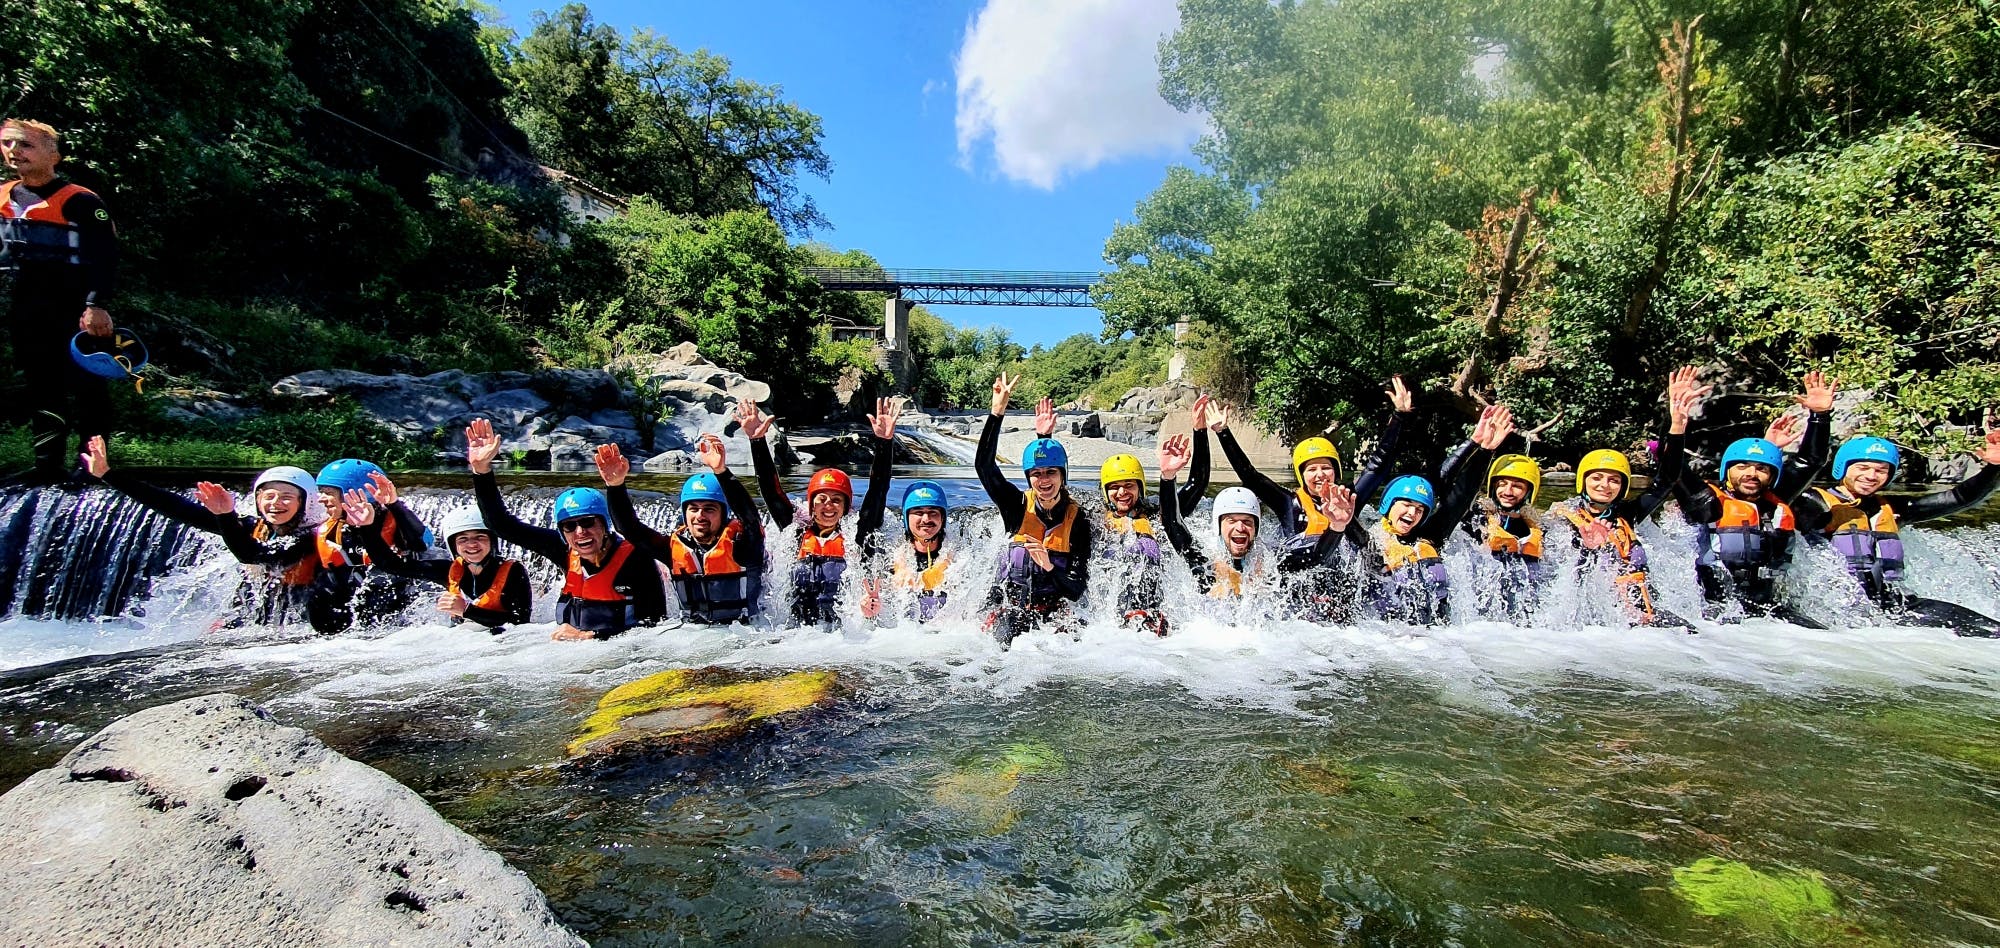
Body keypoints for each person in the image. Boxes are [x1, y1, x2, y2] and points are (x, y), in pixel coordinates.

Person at [81, 436, 354, 634]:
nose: (275, 504)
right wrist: (109, 476)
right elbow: (177, 508)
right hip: (266, 616)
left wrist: (225, 516)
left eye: (286, 497)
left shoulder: (311, 537)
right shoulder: (253, 527)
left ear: (305, 502)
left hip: (315, 621)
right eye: (268, 496)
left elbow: (255, 555)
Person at [463, 418, 665, 640]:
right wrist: (481, 471)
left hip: (621, 655)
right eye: (569, 526)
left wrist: (590, 636)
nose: (580, 532)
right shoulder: (562, 549)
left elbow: (654, 626)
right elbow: (501, 525)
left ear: (605, 526)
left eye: (588, 523)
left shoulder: (636, 559)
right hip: (568, 653)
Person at [1791, 430, 2000, 636]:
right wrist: (1819, 416)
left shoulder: (1893, 509)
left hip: (1895, 605)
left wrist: (1994, 468)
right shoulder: (1812, 504)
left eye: (1881, 470)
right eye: (1862, 467)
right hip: (1843, 609)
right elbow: (1795, 475)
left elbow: (1959, 498)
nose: (1871, 476)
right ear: (1843, 468)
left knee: (1993, 631)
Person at [1, 119, 118, 482]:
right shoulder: (2, 196)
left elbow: (106, 255)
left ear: (54, 154)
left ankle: (93, 467)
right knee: (41, 386)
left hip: (73, 308)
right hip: (24, 308)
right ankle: (46, 465)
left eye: (26, 145)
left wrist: (95, 304)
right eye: (8, 144)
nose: (14, 152)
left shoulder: (79, 200)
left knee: (88, 388)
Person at [1547, 367, 1706, 629]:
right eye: (1597, 477)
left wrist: (1676, 425)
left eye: (1614, 480)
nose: (1605, 485)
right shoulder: (1561, 517)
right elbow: (1554, 575)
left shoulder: (1627, 514)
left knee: (1693, 635)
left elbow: (1667, 480)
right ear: (1583, 481)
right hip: (1592, 617)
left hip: (1639, 612)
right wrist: (1587, 548)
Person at [1673, 371, 1836, 624]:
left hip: (1767, 609)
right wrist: (1675, 421)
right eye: (1742, 467)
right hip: (1717, 611)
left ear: (1772, 476)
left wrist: (1820, 417)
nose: (1752, 474)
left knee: (1823, 635)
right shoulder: (1708, 503)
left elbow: (1810, 461)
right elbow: (1672, 467)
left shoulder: (1775, 501)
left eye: (1762, 469)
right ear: (1727, 470)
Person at [746, 397, 895, 627]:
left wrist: (885, 443)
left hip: (842, 637)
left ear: (845, 507)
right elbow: (771, 491)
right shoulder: (795, 533)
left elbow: (878, 490)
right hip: (799, 634)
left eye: (837, 500)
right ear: (811, 504)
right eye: (822, 499)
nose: (828, 505)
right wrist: (757, 441)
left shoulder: (858, 536)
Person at [595, 432, 766, 625]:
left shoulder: (743, 545)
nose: (700, 516)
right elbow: (628, 528)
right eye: (693, 509)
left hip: (744, 635)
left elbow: (751, 518)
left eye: (709, 509)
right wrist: (615, 486)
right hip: (691, 636)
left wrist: (721, 471)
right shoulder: (672, 549)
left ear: (723, 514)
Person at [1214, 377, 1414, 540]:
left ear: (1336, 471)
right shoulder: (1287, 503)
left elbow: (1377, 467)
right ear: (1301, 476)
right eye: (1311, 469)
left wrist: (1399, 417)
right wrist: (1223, 432)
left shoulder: (1349, 499)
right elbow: (1250, 476)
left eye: (1326, 467)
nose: (1320, 475)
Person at [977, 373, 1092, 646]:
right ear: (1028, 478)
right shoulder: (1016, 507)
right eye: (1036, 474)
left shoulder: (1078, 520)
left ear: (1063, 476)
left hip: (1054, 615)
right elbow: (985, 467)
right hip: (1012, 611)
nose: (1044, 480)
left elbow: (1076, 590)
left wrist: (1049, 565)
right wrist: (996, 413)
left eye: (1051, 472)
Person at [341, 501, 530, 632]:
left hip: (503, 643)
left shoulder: (514, 571)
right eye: (463, 539)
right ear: (454, 546)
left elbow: (520, 623)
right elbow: (391, 565)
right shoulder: (448, 570)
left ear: (492, 541)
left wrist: (467, 610)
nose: (472, 545)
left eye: (480, 537)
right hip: (466, 644)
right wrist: (367, 527)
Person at [315, 459, 432, 623]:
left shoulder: (398, 520)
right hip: (364, 608)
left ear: (355, 493)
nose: (321, 499)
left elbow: (421, 544)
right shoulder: (330, 532)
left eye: (328, 492)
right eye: (320, 491)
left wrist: (394, 504)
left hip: (406, 601)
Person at [1158, 434, 1266, 601]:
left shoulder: (1270, 563)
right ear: (1218, 526)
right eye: (1231, 521)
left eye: (1247, 522)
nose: (1240, 528)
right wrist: (1167, 478)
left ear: (1256, 529)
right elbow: (1172, 524)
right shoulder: (1205, 564)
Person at [1098, 450, 1170, 636]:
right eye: (1114, 487)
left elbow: (1195, 489)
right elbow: (1051, 495)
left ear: (1140, 488)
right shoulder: (1094, 519)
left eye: (1129, 485)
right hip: (1111, 614)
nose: (1122, 492)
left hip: (1152, 610)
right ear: (1106, 492)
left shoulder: (1156, 517)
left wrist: (1169, 476)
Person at [860, 480, 952, 623]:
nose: (926, 519)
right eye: (918, 512)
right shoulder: (890, 557)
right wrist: (872, 610)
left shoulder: (959, 557)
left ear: (943, 518)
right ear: (906, 517)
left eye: (933, 512)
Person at [1365, 475, 1452, 625]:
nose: (1412, 512)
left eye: (1420, 509)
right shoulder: (1372, 541)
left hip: (1436, 635)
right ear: (1390, 504)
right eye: (1406, 504)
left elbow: (1461, 497)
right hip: (1388, 633)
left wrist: (1484, 453)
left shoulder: (1429, 539)